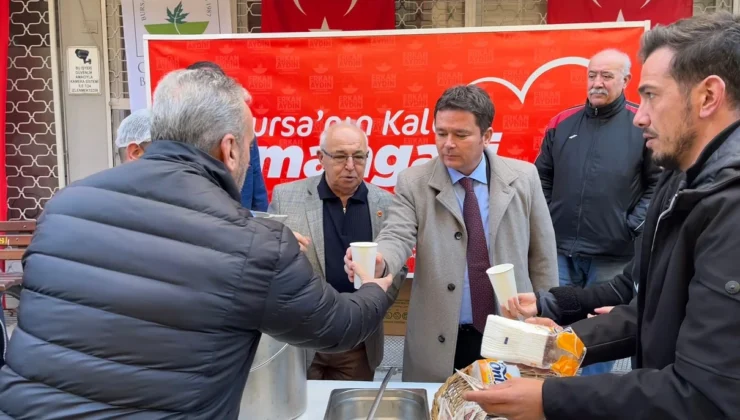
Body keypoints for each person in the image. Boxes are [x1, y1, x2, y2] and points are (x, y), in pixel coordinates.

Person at [0, 68, 394, 419]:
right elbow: (335, 327)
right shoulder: (255, 242)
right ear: (231, 148)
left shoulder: (64, 205)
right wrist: (376, 289)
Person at [464, 12, 740, 420]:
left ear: (707, 96)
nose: (639, 115)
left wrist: (548, 400)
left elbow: (703, 395)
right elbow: (646, 308)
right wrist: (562, 342)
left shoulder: (730, 207)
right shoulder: (679, 178)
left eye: (651, 95)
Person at [345, 84, 558, 383]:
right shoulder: (414, 182)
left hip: (511, 334)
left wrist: (546, 314)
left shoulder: (524, 177)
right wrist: (380, 261)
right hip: (441, 340)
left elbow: (543, 257)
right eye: (441, 133)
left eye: (460, 135)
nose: (447, 143)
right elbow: (396, 235)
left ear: (487, 136)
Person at [535, 48, 661, 375]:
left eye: (606, 76)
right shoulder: (562, 123)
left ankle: (590, 399)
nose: (597, 83)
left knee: (597, 335)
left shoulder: (642, 125)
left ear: (626, 80)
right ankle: (553, 395)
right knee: (554, 332)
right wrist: (549, 219)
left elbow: (658, 182)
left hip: (612, 256)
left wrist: (630, 225)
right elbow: (541, 177)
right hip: (561, 251)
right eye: (592, 75)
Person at [269, 120, 407, 381]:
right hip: (300, 337)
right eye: (341, 157)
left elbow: (398, 268)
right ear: (320, 157)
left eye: (359, 157)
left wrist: (371, 307)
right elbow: (270, 262)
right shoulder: (286, 197)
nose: (351, 166)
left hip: (358, 340)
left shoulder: (386, 203)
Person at [186, 61, 268, 212]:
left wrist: (263, 226)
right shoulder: (175, 134)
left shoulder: (244, 134)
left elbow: (257, 186)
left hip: (241, 223)